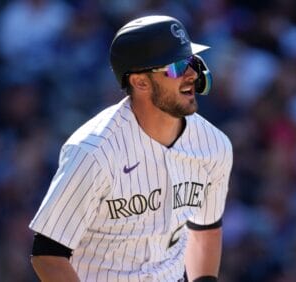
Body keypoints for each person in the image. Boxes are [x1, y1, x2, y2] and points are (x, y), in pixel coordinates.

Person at [29, 15, 233, 282]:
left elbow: (205, 228)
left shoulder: (214, 145)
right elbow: (48, 254)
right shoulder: (94, 151)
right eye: (178, 66)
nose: (192, 74)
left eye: (193, 62)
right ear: (140, 82)